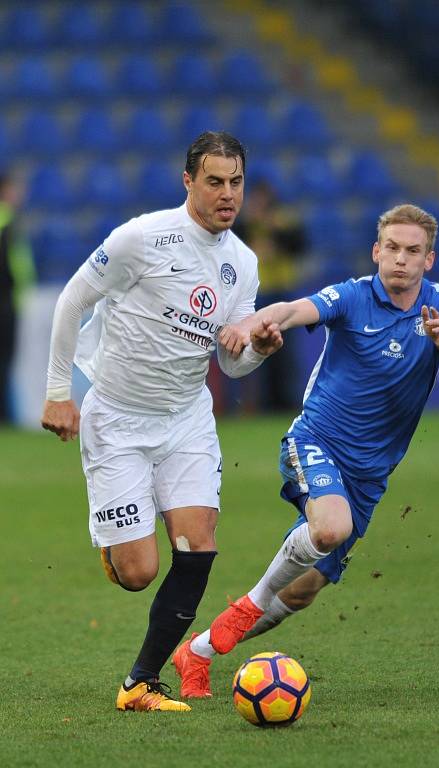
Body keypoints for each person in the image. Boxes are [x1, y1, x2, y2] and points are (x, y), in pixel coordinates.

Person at [172, 202, 439, 698]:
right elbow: (292, 310)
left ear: (429, 260)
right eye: (393, 249)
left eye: (413, 251)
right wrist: (250, 327)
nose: (401, 259)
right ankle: (247, 606)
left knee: (303, 588)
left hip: (370, 475)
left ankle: (198, 651)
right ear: (377, 251)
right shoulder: (352, 297)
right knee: (331, 528)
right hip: (316, 441)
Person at [41, 131, 282, 712]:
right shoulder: (142, 239)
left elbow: (232, 360)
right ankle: (118, 549)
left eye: (237, 183)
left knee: (198, 547)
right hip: (118, 419)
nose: (228, 195)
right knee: (138, 572)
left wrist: (257, 348)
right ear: (188, 182)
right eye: (215, 182)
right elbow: (73, 299)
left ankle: (141, 682)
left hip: (186, 420)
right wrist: (57, 393)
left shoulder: (242, 263)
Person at [234, 180, 307, 411]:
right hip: (257, 292)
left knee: (285, 352)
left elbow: (300, 246)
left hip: (282, 290)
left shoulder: (283, 222)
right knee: (258, 349)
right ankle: (263, 403)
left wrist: (274, 234)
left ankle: (287, 401)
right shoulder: (242, 225)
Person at [0, 171, 35, 424]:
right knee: (5, 359)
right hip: (6, 301)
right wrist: (23, 292)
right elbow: (18, 265)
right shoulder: (8, 221)